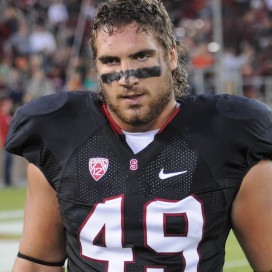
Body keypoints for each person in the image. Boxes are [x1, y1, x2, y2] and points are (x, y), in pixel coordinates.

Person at [5, 0, 272, 271]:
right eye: (111, 60)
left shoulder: (230, 135)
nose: (127, 77)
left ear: (171, 57)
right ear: (96, 67)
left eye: (141, 56)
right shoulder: (60, 133)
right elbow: (38, 262)